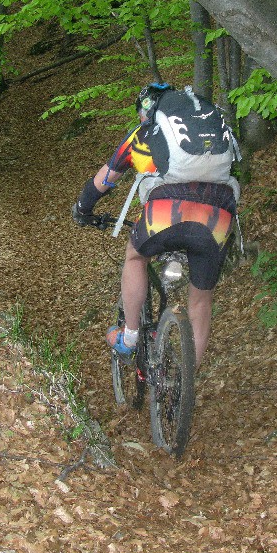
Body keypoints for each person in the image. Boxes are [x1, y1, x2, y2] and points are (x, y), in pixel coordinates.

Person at [71, 83, 238, 367]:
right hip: (218, 216)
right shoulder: (211, 135)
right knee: (201, 298)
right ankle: (188, 376)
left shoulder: (143, 135)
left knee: (135, 257)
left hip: (165, 213)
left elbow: (106, 178)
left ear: (147, 113)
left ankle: (130, 338)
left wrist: (82, 209)